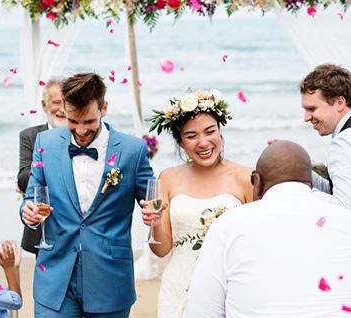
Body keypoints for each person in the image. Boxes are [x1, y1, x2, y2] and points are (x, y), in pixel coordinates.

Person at [20, 72, 154, 317]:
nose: (80, 131)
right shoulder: (44, 143)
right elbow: (32, 197)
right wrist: (27, 211)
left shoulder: (133, 151)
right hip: (55, 277)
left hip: (110, 279)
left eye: (89, 122)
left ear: (104, 107)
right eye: (73, 121)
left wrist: (153, 211)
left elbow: (152, 200)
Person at [184, 141, 351, 318]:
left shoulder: (227, 226)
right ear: (309, 181)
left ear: (256, 181)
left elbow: (201, 312)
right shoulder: (346, 221)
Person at [145, 89, 253, 317]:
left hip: (228, 289)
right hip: (177, 286)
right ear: (181, 142)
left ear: (220, 130)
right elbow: (161, 249)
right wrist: (154, 224)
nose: (203, 142)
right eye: (191, 135)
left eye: (210, 131)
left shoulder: (246, 178)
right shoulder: (167, 178)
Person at [17, 77, 66, 255]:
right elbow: (23, 179)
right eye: (56, 103)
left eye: (67, 102)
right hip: (41, 226)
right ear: (44, 105)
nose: (62, 109)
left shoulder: (80, 135)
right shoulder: (30, 136)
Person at [300, 64, 351, 209]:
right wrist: (295, 163)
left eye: (312, 109)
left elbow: (343, 207)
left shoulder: (344, 140)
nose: (306, 117)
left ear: (340, 103)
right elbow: (336, 190)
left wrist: (297, 193)